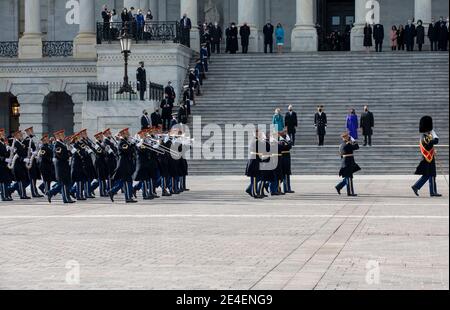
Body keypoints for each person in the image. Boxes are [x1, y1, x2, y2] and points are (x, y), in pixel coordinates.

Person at [412, 116, 442, 197]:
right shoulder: (423, 136)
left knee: (432, 174)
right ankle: (418, 187)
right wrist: (431, 142)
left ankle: (431, 191)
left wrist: (431, 142)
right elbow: (428, 145)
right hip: (427, 157)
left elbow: (436, 140)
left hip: (430, 156)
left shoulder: (431, 132)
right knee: (429, 174)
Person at [109, 128, 137, 203]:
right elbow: (128, 151)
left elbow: (131, 151)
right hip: (124, 164)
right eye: (127, 133)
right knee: (127, 180)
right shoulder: (122, 142)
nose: (128, 134)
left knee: (126, 180)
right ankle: (128, 198)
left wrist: (132, 144)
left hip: (127, 163)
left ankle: (112, 191)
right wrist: (132, 144)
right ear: (123, 134)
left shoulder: (125, 142)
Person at [47, 130, 75, 203]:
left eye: (63, 134)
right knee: (65, 182)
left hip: (65, 165)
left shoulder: (62, 144)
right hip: (61, 166)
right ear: (58, 136)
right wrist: (68, 155)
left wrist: (69, 152)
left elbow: (67, 153)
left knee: (65, 182)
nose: (64, 136)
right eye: (62, 135)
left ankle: (51, 193)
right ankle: (66, 198)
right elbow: (61, 155)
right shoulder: (57, 145)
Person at [335, 133, 361, 197]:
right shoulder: (347, 144)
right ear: (345, 137)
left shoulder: (341, 145)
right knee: (349, 178)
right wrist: (353, 140)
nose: (348, 138)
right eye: (348, 137)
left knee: (347, 177)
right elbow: (357, 147)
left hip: (345, 162)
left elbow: (341, 155)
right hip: (348, 162)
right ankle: (350, 192)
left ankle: (338, 187)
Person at [0, 128, 13, 201]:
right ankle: (3, 196)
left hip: (5, 165)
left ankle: (6, 195)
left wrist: (9, 151)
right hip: (1, 165)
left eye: (3, 134)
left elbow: (5, 154)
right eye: (2, 134)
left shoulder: (3, 144)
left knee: (6, 181)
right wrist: (4, 159)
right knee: (2, 181)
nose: (3, 135)